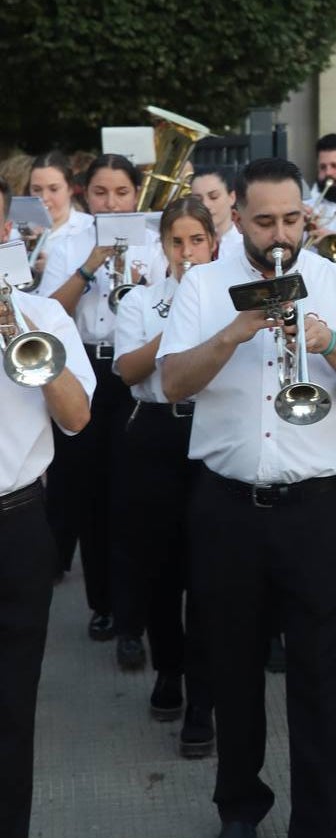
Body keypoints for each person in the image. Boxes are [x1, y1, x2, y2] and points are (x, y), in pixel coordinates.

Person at [158, 157, 336, 838]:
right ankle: (239, 808)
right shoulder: (202, 282)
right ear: (239, 219)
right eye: (265, 222)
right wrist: (235, 331)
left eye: (292, 220)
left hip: (315, 509)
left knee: (320, 679)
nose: (281, 234)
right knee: (231, 667)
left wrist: (327, 343)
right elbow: (171, 383)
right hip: (227, 504)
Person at [0, 176, 94, 838]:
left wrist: (16, 335)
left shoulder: (39, 314)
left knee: (9, 711)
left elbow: (77, 417)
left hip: (16, 526)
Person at [39, 154, 166, 641]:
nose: (111, 202)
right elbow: (48, 311)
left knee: (132, 494)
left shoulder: (156, 243)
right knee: (87, 494)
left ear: (136, 194)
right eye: (100, 193)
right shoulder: (69, 240)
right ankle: (105, 604)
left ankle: (140, 605)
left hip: (136, 370)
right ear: (83, 194)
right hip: (85, 366)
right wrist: (91, 266)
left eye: (121, 193)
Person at [112, 196, 218, 752]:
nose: (186, 251)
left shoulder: (229, 298)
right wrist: (177, 318)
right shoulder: (141, 300)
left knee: (208, 572)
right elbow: (127, 371)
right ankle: (169, 670)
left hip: (211, 432)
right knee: (159, 567)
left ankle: (203, 698)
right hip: (155, 431)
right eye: (176, 242)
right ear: (164, 247)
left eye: (195, 241)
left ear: (212, 242)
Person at [26, 152, 94, 284]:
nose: (44, 198)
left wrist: (53, 269)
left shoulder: (88, 227)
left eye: (53, 189)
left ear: (70, 189)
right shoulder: (17, 229)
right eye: (36, 189)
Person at [191, 168, 241, 255]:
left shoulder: (245, 244)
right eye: (198, 199)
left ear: (232, 197)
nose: (205, 205)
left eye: (214, 197)